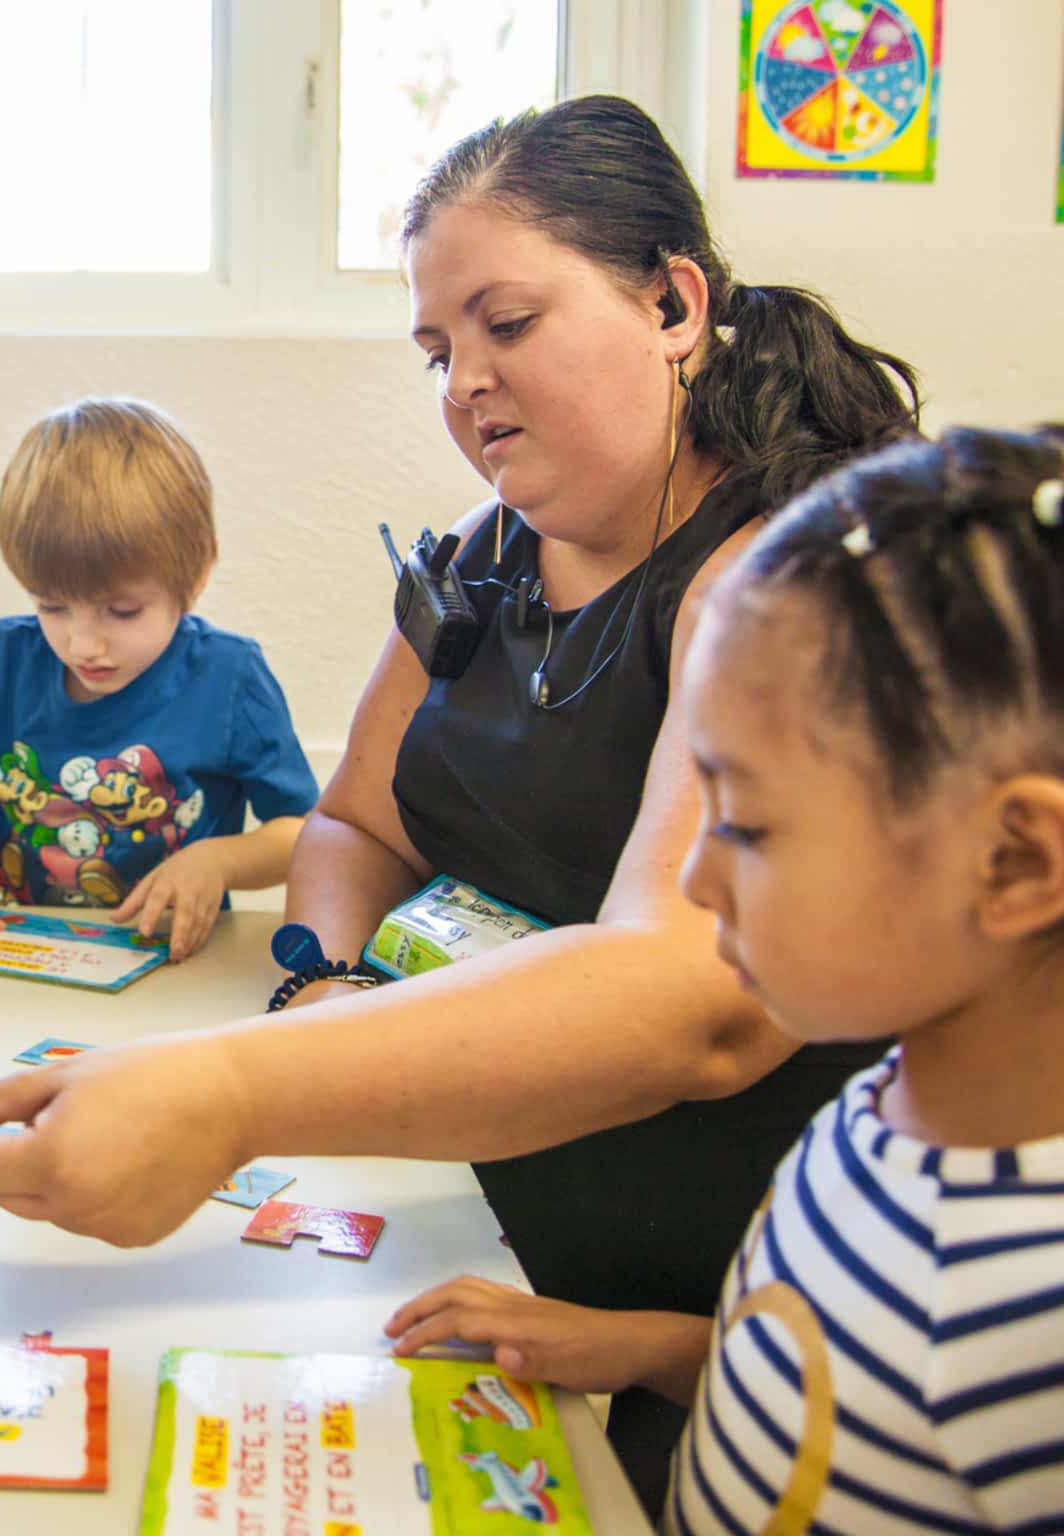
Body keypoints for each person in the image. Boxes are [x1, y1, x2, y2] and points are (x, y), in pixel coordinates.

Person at [0, 96, 920, 1506]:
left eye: (505, 324)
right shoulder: (482, 550)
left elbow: (697, 996)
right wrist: (327, 983)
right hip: (476, 1217)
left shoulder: (777, 570)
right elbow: (356, 824)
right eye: (436, 350)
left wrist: (233, 1092)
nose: (464, 382)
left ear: (674, 302)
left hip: (730, 1329)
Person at [387, 425, 1064, 1534]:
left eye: (744, 824)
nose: (694, 876)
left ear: (1014, 861)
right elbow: (842, 1401)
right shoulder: (878, 1114)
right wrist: (647, 1349)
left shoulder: (1026, 1318)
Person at [0, 397, 317, 961]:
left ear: (199, 572)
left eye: (122, 612)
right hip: (5, 949)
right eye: (52, 606)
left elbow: (302, 833)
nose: (82, 645)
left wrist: (217, 861)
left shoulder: (230, 678)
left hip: (166, 962)